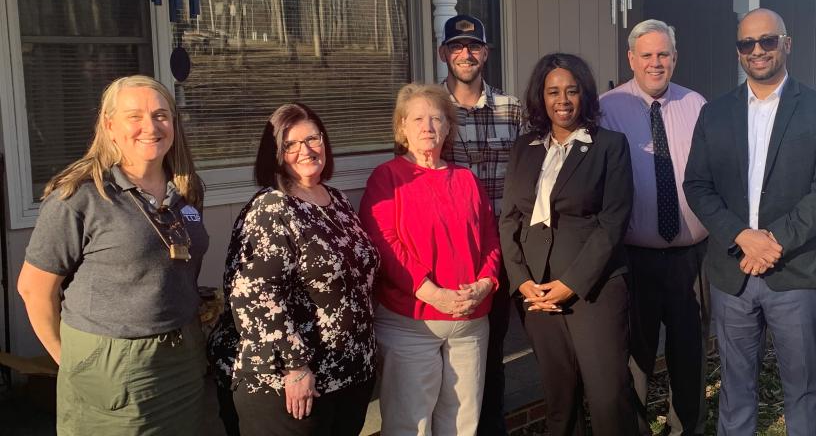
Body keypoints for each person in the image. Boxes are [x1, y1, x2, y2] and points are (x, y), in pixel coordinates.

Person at [683, 8, 816, 436]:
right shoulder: (715, 113)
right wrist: (741, 236)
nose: (757, 51)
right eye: (747, 44)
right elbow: (698, 185)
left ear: (786, 44)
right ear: (739, 51)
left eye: (767, 41)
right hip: (732, 272)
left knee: (803, 389)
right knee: (735, 388)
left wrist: (772, 241)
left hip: (795, 271)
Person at [17, 75, 209, 433]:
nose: (150, 127)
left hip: (183, 355)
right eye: (134, 116)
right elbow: (33, 288)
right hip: (113, 363)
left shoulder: (185, 188)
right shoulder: (79, 197)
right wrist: (72, 360)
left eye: (161, 115)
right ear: (110, 125)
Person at [207, 103, 380, 435]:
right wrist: (296, 367)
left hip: (347, 375)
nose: (306, 150)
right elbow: (254, 298)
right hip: (290, 385)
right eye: (290, 144)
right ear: (274, 154)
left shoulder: (337, 200)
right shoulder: (270, 208)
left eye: (312, 138)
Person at [499, 53, 638, 436]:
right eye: (553, 91)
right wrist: (521, 281)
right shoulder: (525, 146)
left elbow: (613, 222)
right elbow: (510, 217)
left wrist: (571, 284)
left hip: (593, 289)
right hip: (535, 292)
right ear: (540, 98)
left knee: (608, 395)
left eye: (572, 91)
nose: (563, 100)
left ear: (585, 95)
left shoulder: (610, 145)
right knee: (559, 398)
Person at [359, 83, 502, 436]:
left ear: (448, 127)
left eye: (437, 118)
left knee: (462, 421)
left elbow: (490, 239)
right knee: (411, 423)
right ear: (402, 128)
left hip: (469, 324)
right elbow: (384, 244)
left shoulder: (466, 179)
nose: (428, 127)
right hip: (412, 324)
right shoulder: (387, 178)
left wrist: (485, 284)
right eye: (418, 118)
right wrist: (431, 292)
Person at [601, 19, 708, 436]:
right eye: (646, 55)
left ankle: (687, 429)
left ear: (675, 58)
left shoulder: (697, 105)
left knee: (690, 352)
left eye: (663, 54)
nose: (655, 63)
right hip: (634, 257)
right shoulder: (606, 108)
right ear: (631, 59)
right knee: (636, 357)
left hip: (690, 256)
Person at [438, 14, 523, 436]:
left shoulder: (512, 109)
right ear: (444, 54)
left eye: (473, 47)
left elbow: (529, 176)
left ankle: (492, 427)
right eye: (456, 47)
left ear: (485, 53)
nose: (465, 54)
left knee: (493, 349)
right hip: (452, 253)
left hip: (503, 248)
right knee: (451, 354)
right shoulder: (429, 112)